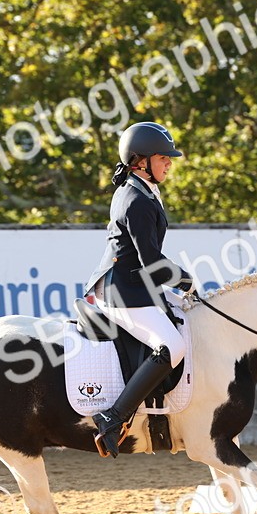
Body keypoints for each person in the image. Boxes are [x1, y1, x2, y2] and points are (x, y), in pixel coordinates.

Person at [84, 121, 195, 458]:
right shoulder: (137, 200)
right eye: (163, 158)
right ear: (141, 161)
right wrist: (183, 278)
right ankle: (113, 416)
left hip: (135, 286)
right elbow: (150, 261)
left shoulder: (141, 190)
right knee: (171, 346)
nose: (169, 163)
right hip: (123, 291)